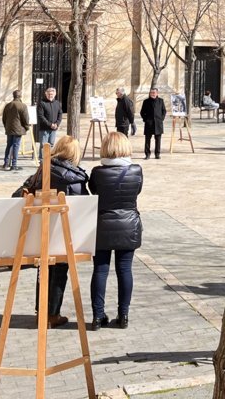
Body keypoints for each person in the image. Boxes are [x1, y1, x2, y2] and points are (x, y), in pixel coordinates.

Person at [18, 135, 89, 328]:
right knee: (60, 270)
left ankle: (40, 312)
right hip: (63, 231)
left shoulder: (43, 170)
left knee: (44, 270)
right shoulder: (77, 178)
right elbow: (83, 205)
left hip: (39, 228)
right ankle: (53, 313)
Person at [88, 131, 143, 329]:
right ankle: (124, 315)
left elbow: (93, 191)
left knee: (100, 270)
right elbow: (137, 191)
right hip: (129, 225)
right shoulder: (136, 171)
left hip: (102, 225)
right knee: (125, 269)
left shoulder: (97, 172)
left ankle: (97, 316)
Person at [1, 90, 30, 171]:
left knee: (9, 145)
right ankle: (14, 165)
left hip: (9, 128)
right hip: (18, 129)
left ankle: (6, 163)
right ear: (20, 96)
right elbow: (26, 119)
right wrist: (27, 127)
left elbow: (4, 118)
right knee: (16, 146)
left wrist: (6, 126)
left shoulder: (8, 105)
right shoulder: (22, 106)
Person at [139, 88, 166, 159]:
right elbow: (142, 112)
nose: (153, 94)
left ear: (157, 93)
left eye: (154, 93)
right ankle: (147, 154)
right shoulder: (146, 101)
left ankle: (157, 154)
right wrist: (145, 119)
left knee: (158, 139)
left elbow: (164, 111)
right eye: (151, 93)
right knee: (147, 139)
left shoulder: (161, 101)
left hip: (158, 123)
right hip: (149, 123)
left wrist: (161, 119)